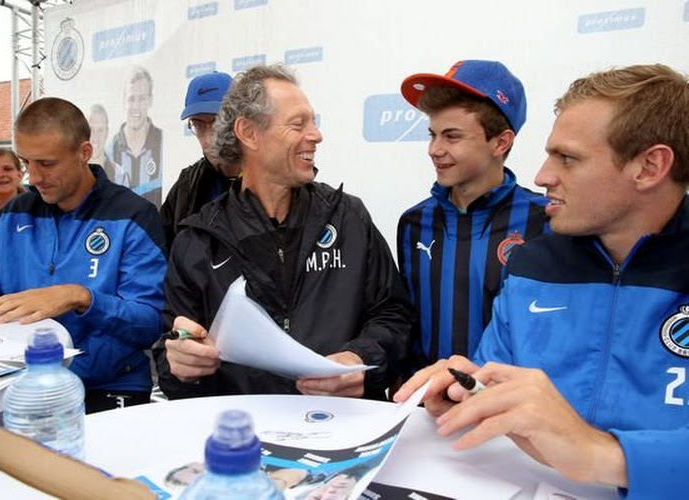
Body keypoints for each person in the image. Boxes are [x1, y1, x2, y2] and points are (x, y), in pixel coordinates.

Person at [394, 63, 689, 498]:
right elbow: (494, 384)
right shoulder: (532, 265)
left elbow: (583, 448)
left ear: (649, 167)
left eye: (567, 158)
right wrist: (467, 392)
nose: (542, 176)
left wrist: (604, 454)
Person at [154, 64, 411, 400]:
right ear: (248, 133)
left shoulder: (348, 218)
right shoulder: (197, 240)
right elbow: (170, 354)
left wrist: (362, 359)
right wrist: (180, 364)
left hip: (340, 432)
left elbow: (394, 316)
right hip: (245, 439)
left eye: (314, 121)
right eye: (298, 124)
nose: (316, 135)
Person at [0, 97, 167, 413]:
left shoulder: (132, 215)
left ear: (84, 152)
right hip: (22, 385)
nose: (34, 177)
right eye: (26, 162)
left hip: (107, 386)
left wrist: (81, 297)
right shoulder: (17, 212)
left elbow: (150, 322)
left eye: (46, 163)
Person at [397, 60, 548, 370]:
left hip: (504, 412)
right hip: (425, 410)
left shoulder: (546, 222)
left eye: (452, 137)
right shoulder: (413, 223)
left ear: (501, 142)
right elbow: (404, 322)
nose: (434, 149)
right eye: (432, 134)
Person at [160, 71, 240, 249]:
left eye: (216, 122)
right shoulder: (187, 183)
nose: (207, 139)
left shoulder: (266, 180)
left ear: (238, 120)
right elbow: (160, 250)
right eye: (198, 125)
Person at [106, 66, 163, 207]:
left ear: (150, 100)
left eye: (142, 98)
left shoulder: (164, 143)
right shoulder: (109, 150)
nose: (136, 106)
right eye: (131, 99)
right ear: (123, 101)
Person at [87, 104, 118, 181]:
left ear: (106, 133)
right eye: (91, 130)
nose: (95, 137)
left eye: (100, 130)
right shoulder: (71, 174)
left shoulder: (120, 175)